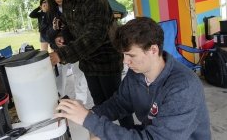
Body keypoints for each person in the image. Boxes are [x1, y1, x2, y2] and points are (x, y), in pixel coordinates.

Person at [55, 17, 211, 140]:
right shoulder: (137, 73)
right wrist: (86, 114)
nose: (125, 61)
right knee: (99, 135)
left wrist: (88, 120)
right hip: (151, 132)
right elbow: (119, 104)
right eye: (123, 55)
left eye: (131, 55)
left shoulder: (183, 88)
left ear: (153, 50)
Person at [48, 0, 134, 128]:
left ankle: (129, 133)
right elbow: (70, 27)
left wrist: (61, 55)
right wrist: (63, 37)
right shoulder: (68, 1)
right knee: (100, 105)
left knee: (118, 104)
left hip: (106, 61)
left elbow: (93, 36)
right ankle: (104, 134)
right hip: (88, 63)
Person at [45, 0, 94, 108]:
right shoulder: (51, 11)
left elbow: (82, 30)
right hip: (58, 51)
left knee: (79, 74)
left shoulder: (75, 7)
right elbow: (46, 34)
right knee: (60, 77)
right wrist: (55, 32)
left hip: (75, 49)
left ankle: (80, 101)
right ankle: (59, 99)